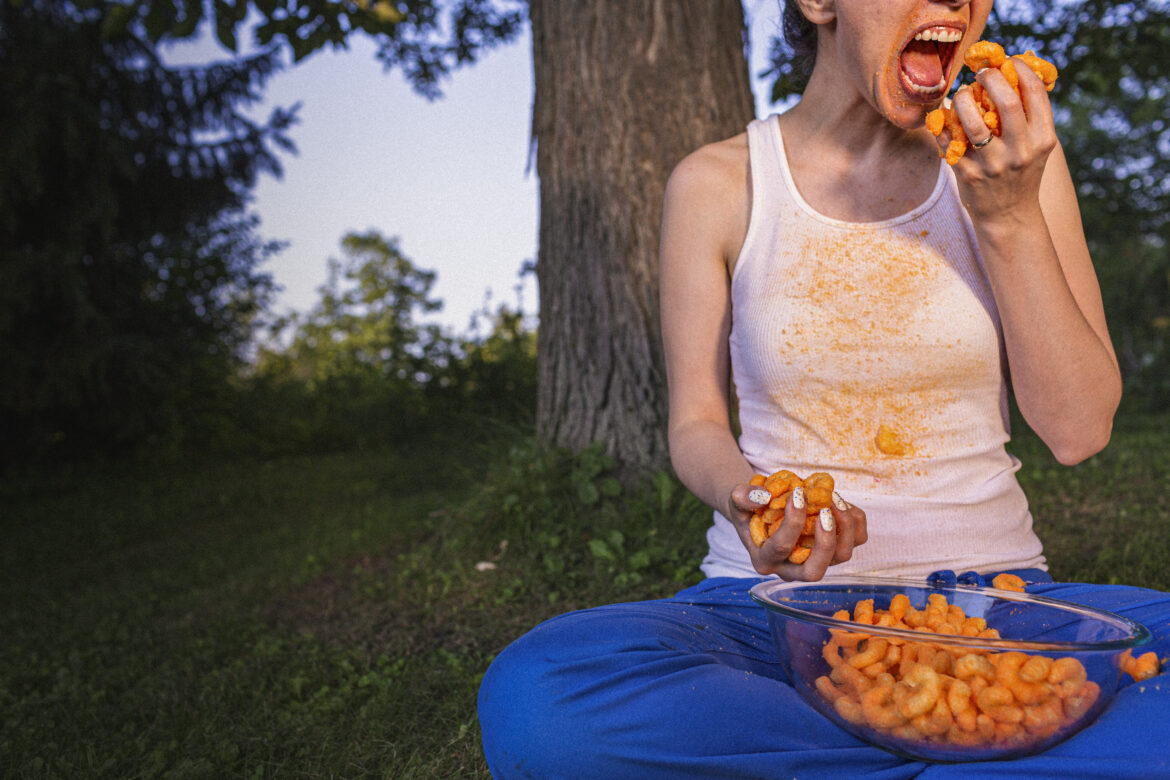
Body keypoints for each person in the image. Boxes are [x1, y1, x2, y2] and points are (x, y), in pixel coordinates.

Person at [478, 1, 1170, 776]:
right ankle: (985, 742)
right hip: (766, 616)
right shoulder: (716, 182)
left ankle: (873, 741)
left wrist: (1007, 219)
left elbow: (1079, 430)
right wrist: (750, 500)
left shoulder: (1011, 163)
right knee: (542, 697)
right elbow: (697, 425)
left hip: (992, 614)